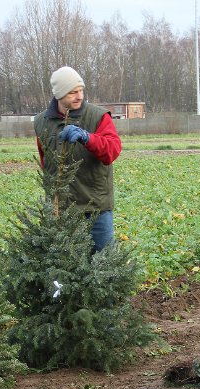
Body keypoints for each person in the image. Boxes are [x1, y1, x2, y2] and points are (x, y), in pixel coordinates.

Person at [34, 66, 122, 253]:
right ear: (59, 94)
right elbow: (45, 162)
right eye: (72, 92)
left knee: (103, 259)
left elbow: (112, 151)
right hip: (60, 209)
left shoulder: (97, 116)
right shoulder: (41, 122)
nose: (79, 96)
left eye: (81, 90)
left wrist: (88, 138)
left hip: (96, 208)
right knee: (65, 262)